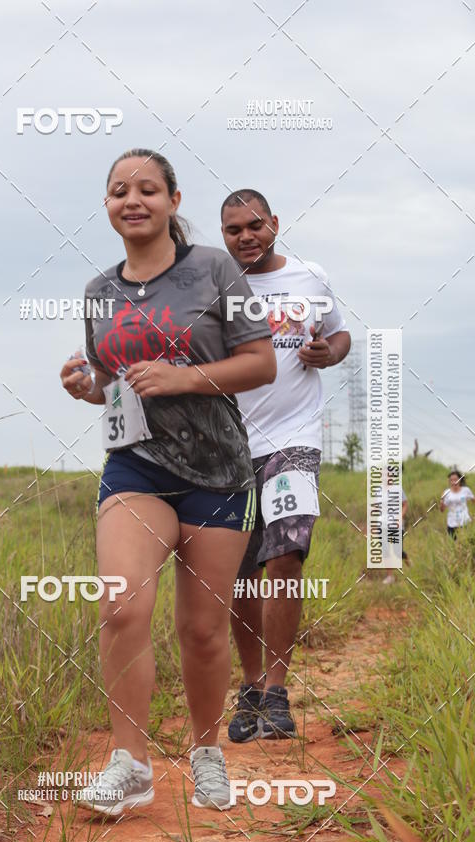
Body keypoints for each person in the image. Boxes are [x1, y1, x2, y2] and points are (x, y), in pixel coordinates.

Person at [60, 151, 276, 814]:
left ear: (173, 200)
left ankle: (206, 752)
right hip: (137, 467)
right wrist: (87, 387)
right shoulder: (100, 291)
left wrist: (184, 376)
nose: (134, 200)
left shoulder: (213, 268)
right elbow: (113, 385)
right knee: (122, 605)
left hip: (218, 471)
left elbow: (262, 362)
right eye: (119, 190)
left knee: (203, 632)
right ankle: (130, 763)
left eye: (147, 189)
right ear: (107, 206)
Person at [220, 188, 351, 742]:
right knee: (239, 574)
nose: (246, 236)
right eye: (233, 230)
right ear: (223, 236)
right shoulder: (214, 286)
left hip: (294, 439)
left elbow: (339, 334)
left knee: (287, 553)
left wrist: (331, 352)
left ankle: (277, 690)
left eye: (254, 225)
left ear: (274, 223)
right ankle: (250, 686)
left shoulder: (310, 277)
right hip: (226, 447)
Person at [440, 469, 474, 539]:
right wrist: (442, 501)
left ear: (460, 480)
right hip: (452, 523)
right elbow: (442, 510)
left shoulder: (466, 490)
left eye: (455, 479)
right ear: (449, 481)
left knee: (466, 543)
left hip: (465, 522)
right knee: (453, 545)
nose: (454, 482)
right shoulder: (446, 492)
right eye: (451, 480)